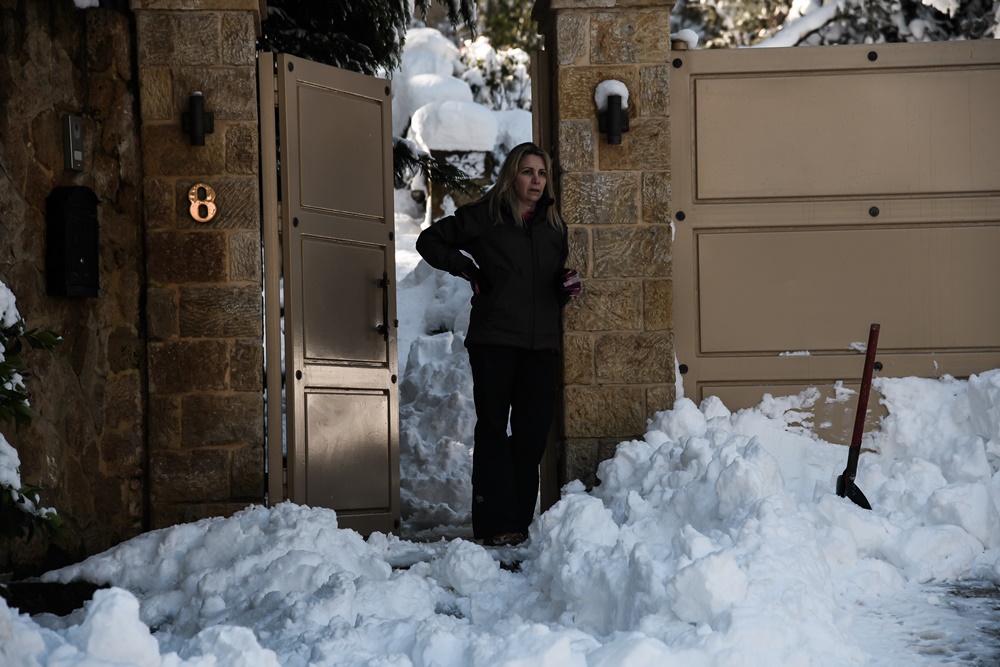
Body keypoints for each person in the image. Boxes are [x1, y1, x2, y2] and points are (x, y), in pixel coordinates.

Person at [416, 142, 582, 547]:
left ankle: (519, 522)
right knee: (493, 430)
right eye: (528, 172)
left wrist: (565, 287)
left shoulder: (554, 229)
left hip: (540, 344)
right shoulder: (486, 218)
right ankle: (494, 525)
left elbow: (547, 286)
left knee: (531, 434)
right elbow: (430, 241)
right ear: (512, 175)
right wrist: (469, 269)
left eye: (542, 174)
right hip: (494, 341)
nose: (536, 181)